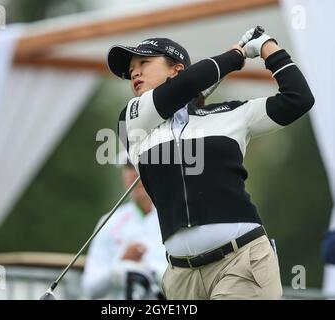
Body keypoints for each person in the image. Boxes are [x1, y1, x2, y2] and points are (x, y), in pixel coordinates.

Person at [108, 28, 315, 299]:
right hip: (181, 278)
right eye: (130, 70)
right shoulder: (131, 122)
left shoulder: (232, 114)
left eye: (144, 63)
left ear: (176, 69)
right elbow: (185, 86)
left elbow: (298, 99)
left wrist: (267, 47)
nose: (134, 73)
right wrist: (236, 56)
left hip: (242, 262)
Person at [81, 155, 167, 299]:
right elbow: (89, 288)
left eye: (141, 165)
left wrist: (150, 271)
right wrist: (120, 265)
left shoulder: (177, 218)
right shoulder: (109, 221)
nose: (134, 173)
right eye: (128, 166)